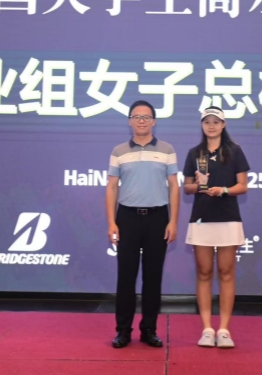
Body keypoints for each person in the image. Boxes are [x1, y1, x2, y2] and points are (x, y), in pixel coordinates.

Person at [106, 100, 180, 348]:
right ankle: (123, 330)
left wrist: (173, 221)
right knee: (125, 277)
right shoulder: (119, 151)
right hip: (127, 218)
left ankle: (149, 329)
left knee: (153, 277)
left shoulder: (167, 149)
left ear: (154, 121)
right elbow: (112, 187)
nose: (141, 120)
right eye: (136, 116)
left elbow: (174, 187)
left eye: (146, 117)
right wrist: (111, 222)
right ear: (129, 121)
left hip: (158, 218)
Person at [183, 106, 250, 349]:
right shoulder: (194, 153)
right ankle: (207, 329)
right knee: (203, 272)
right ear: (202, 125)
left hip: (228, 218)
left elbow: (242, 186)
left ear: (223, 124)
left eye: (215, 121)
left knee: (226, 272)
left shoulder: (234, 151)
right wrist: (200, 186)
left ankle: (223, 330)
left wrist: (223, 190)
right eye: (207, 122)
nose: (211, 126)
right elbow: (187, 187)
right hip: (201, 218)